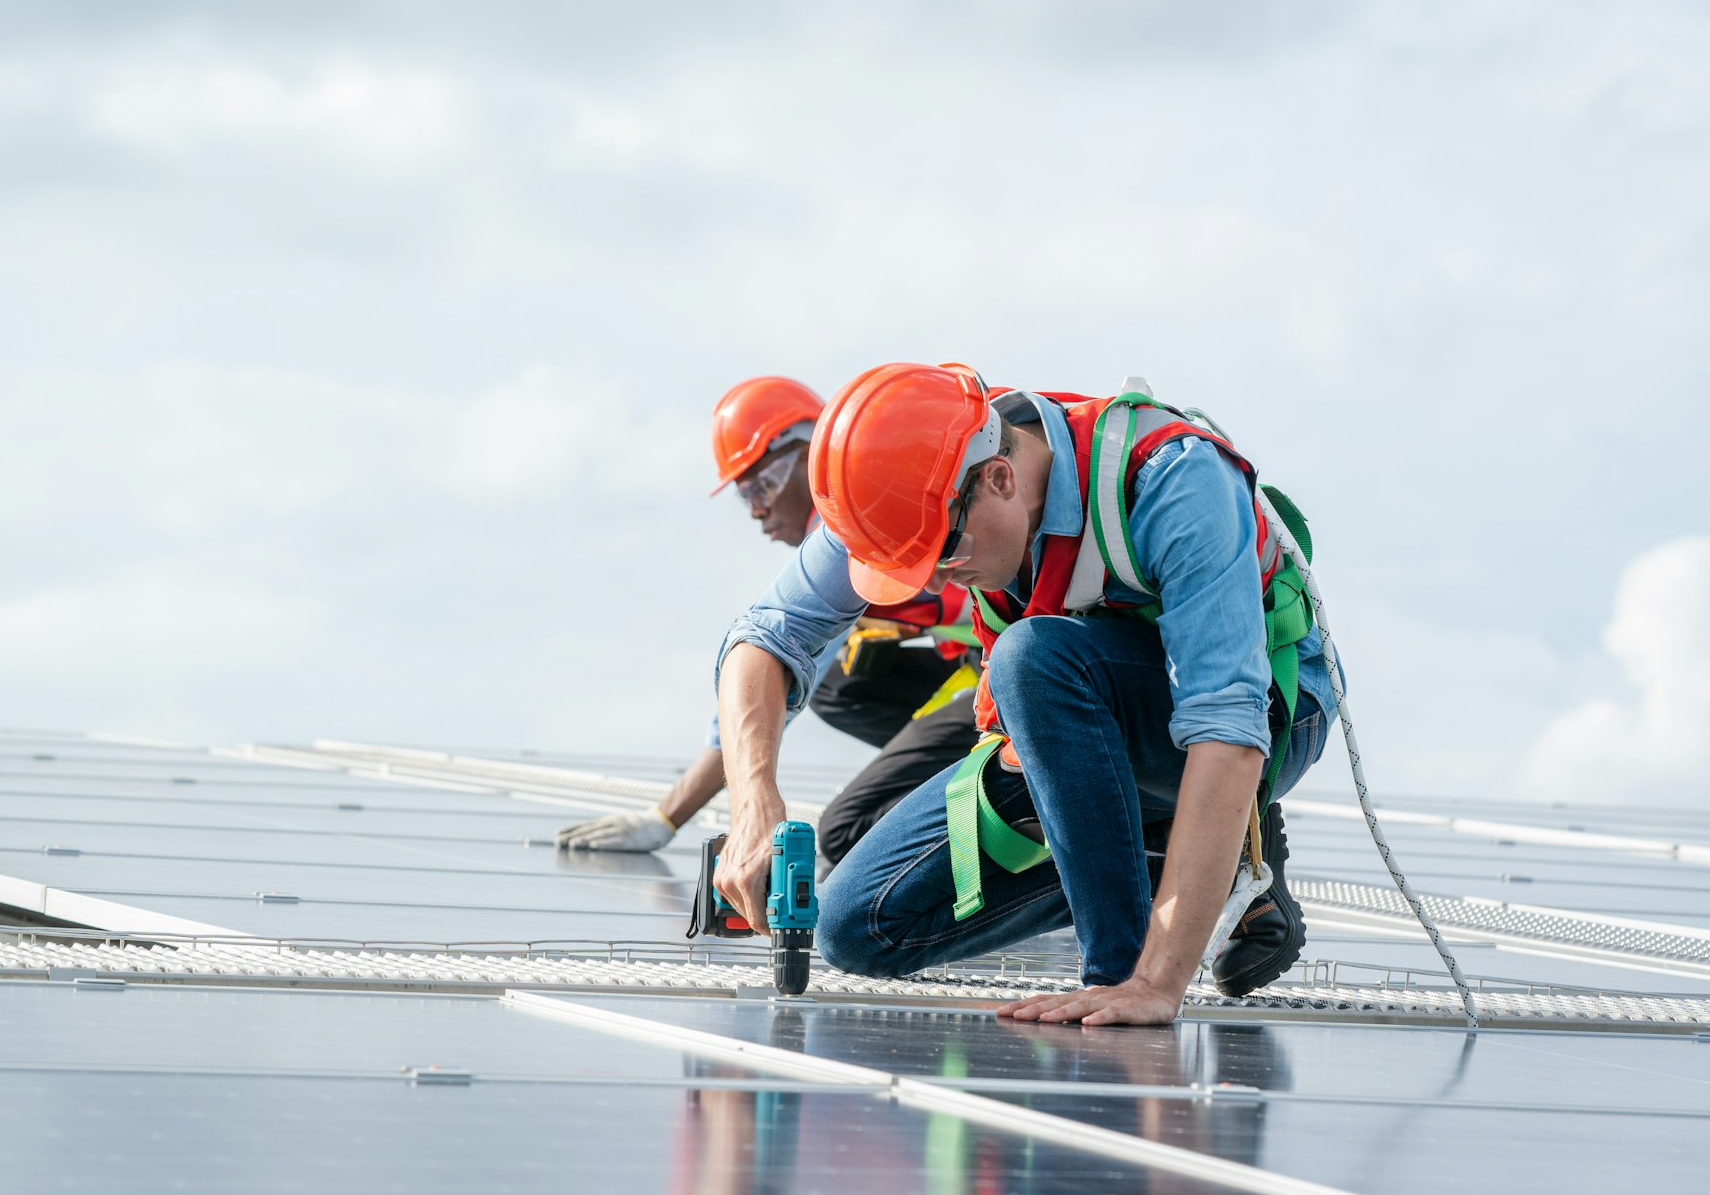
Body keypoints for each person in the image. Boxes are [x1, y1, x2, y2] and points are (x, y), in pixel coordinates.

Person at [710, 364, 1336, 1026]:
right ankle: (1170, 858)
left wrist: (1156, 980)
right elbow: (764, 637)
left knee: (1031, 656)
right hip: (1080, 716)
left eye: (944, 556)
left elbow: (1228, 729)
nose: (940, 580)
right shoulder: (903, 492)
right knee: (856, 926)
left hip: (1268, 718)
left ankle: (1121, 966)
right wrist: (753, 802)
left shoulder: (1174, 482)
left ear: (1000, 479)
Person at [557, 376, 982, 864]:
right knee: (839, 684)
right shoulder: (842, 535)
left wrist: (668, 816)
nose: (758, 510)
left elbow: (774, 680)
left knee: (847, 830)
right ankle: (974, 774)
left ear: (811, 455)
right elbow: (774, 645)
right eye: (745, 495)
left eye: (764, 484)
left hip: (1012, 673)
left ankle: (1032, 829)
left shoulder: (858, 528)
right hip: (986, 662)